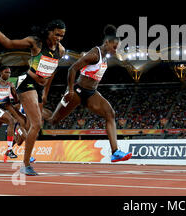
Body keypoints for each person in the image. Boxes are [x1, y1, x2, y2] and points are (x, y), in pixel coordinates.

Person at [0, 12, 66, 175]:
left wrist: (45, 92)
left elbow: (52, 73)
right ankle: (26, 165)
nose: (59, 38)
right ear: (49, 31)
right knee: (37, 124)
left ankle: (13, 121)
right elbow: (8, 43)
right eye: (57, 34)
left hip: (40, 87)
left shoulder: (60, 50)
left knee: (31, 126)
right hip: (28, 83)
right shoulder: (36, 42)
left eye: (62, 36)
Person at [45, 25, 132, 162]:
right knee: (53, 121)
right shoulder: (94, 54)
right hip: (78, 91)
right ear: (107, 43)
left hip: (91, 93)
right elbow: (72, 69)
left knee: (110, 113)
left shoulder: (104, 56)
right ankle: (37, 111)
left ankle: (115, 152)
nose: (116, 50)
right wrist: (71, 90)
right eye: (115, 47)